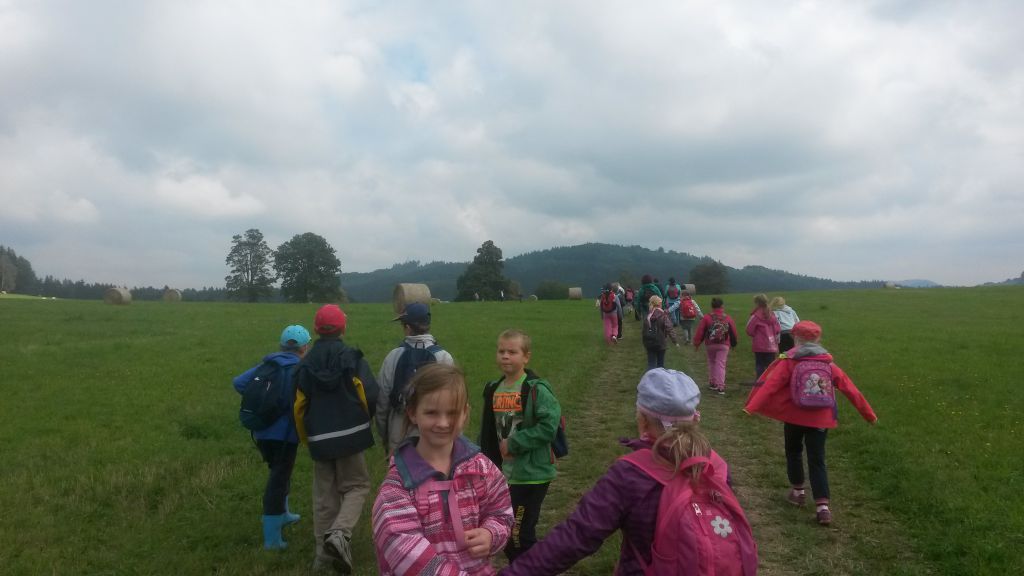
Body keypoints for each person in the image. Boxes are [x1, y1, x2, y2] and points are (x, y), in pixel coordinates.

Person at [499, 368, 754, 576]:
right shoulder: (715, 465)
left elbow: (576, 537)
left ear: (642, 420)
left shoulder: (630, 475)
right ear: (694, 419)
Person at [372, 364, 514, 575]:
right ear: (412, 413)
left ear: (465, 413)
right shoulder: (398, 485)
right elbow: (408, 556)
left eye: (452, 413)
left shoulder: (481, 468)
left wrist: (491, 534)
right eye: (431, 413)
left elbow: (501, 513)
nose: (443, 423)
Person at [744, 321, 878, 526]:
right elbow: (851, 390)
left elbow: (770, 386)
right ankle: (823, 507)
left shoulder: (789, 362)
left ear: (795, 338)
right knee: (817, 459)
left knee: (794, 452)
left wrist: (751, 407)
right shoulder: (828, 364)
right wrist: (869, 415)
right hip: (820, 419)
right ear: (818, 339)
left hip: (794, 417)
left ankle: (798, 492)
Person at [294, 304, 380, 574]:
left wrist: (308, 438)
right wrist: (364, 422)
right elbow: (370, 394)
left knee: (324, 496)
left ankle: (322, 557)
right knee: (357, 485)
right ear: (343, 327)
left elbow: (299, 405)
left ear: (316, 329)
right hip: (351, 436)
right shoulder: (352, 358)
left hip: (319, 439)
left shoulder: (304, 364)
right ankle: (340, 533)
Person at [479, 329, 562, 563]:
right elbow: (488, 431)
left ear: (526, 357)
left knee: (517, 536)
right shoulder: (493, 389)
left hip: (531, 475)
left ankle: (532, 567)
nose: (505, 356)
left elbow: (549, 427)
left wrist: (515, 443)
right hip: (504, 475)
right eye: (501, 351)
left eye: (512, 352)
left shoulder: (536, 389)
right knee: (509, 533)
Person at [232, 324, 311, 550]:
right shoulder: (300, 369)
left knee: (280, 473)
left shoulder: (268, 364)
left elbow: (239, 383)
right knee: (278, 480)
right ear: (305, 348)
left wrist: (262, 401)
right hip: (286, 435)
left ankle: (283, 513)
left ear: (281, 345)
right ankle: (272, 538)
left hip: (262, 432)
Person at [375, 302, 455, 455]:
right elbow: (454, 401)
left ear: (407, 327)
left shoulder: (393, 356)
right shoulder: (444, 357)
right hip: (435, 433)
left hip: (399, 433)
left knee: (400, 470)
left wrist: (385, 434)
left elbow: (382, 401)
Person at [693, 297, 738, 395]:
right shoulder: (727, 318)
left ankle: (713, 383)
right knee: (721, 364)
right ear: (722, 306)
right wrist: (734, 344)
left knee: (712, 362)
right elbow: (733, 332)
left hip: (710, 344)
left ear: (712, 306)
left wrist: (697, 343)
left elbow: (700, 331)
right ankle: (721, 386)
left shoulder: (707, 317)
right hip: (724, 344)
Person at [746, 293, 782, 381]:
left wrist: (755, 335)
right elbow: (778, 329)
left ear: (757, 303)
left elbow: (749, 330)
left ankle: (760, 382)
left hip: (759, 345)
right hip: (771, 345)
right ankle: (770, 382)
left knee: (760, 365)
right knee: (770, 366)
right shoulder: (772, 315)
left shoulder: (755, 316)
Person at [643, 295, 678, 370]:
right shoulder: (663, 315)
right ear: (659, 304)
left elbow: (644, 331)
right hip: (661, 342)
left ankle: (650, 376)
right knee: (660, 364)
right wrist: (675, 341)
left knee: (651, 364)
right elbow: (669, 328)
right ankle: (660, 376)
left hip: (650, 343)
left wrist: (645, 343)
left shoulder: (648, 316)